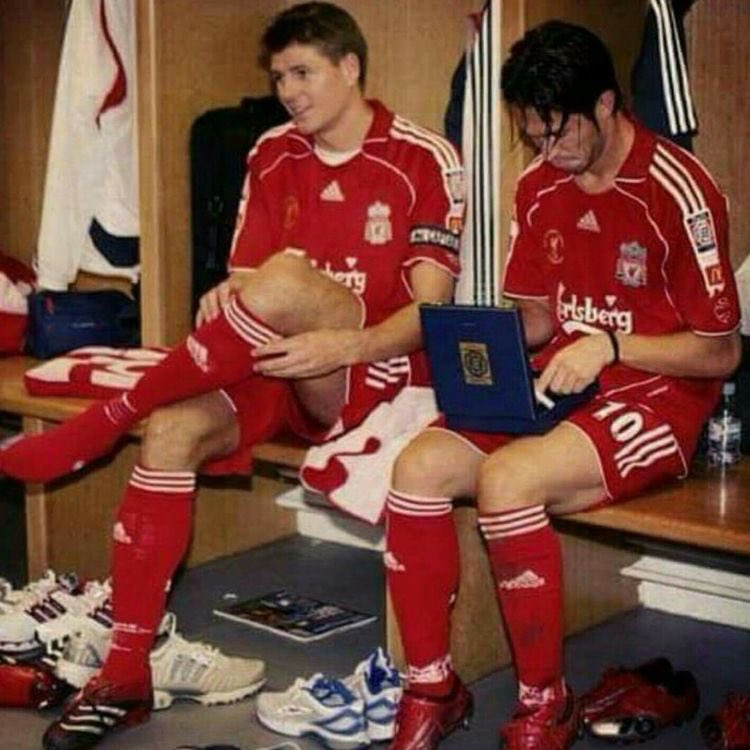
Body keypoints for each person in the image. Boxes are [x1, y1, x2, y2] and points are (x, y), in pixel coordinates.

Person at [2, 4, 462, 748]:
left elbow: (433, 311)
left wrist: (340, 345)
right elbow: (250, 281)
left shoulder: (422, 156)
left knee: (285, 280)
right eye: (279, 77)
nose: (288, 91)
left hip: (372, 370)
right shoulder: (271, 152)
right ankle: (126, 673)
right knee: (172, 430)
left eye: (302, 72)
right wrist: (230, 295)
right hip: (277, 363)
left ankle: (108, 418)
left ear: (350, 67)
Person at [384, 19, 741, 750]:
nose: (548, 151)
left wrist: (609, 344)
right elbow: (540, 320)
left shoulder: (680, 189)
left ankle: (545, 703)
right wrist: (482, 339)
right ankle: (433, 688)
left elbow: (721, 353)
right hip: (562, 381)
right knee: (416, 469)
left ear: (607, 104)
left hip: (659, 393)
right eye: (533, 135)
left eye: (560, 131)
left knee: (508, 481)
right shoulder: (540, 184)